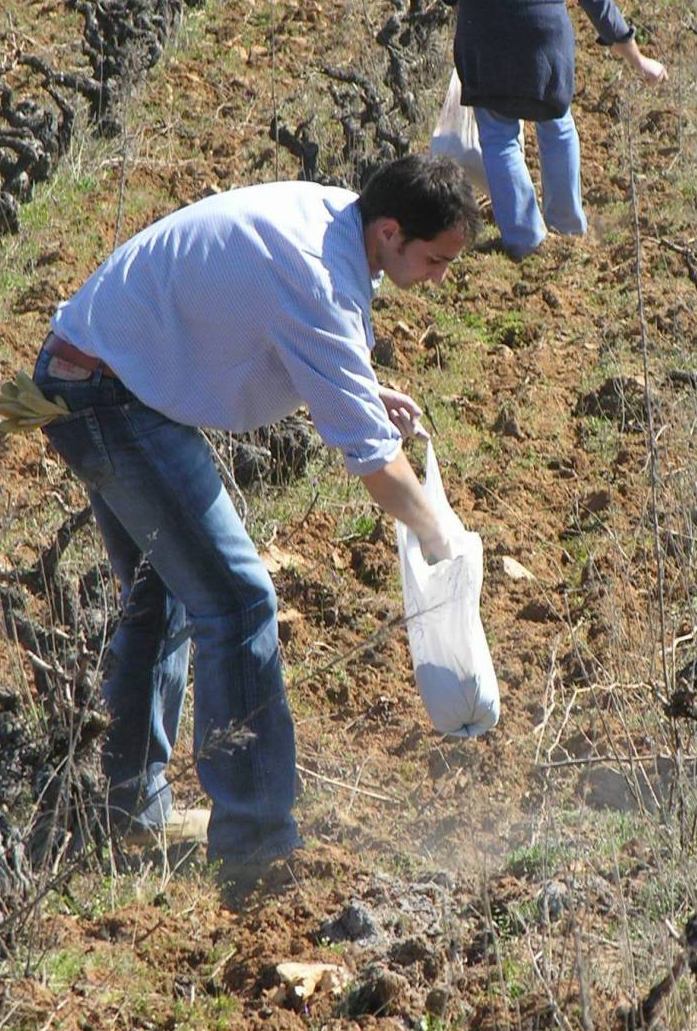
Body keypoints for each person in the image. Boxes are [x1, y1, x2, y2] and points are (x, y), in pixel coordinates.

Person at [27, 153, 480, 896]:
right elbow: (372, 460)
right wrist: (443, 539)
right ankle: (257, 841)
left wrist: (364, 388)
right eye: (434, 261)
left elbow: (304, 341)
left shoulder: (340, 221)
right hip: (104, 394)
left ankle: (126, 812)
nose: (438, 279)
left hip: (90, 371)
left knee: (162, 593)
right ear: (392, 231)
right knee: (237, 600)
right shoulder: (318, 270)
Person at [435, 0, 666, 260]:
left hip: (482, 26)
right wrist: (637, 57)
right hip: (544, 30)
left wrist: (462, 0)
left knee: (498, 135)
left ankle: (524, 240)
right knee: (556, 121)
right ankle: (567, 225)